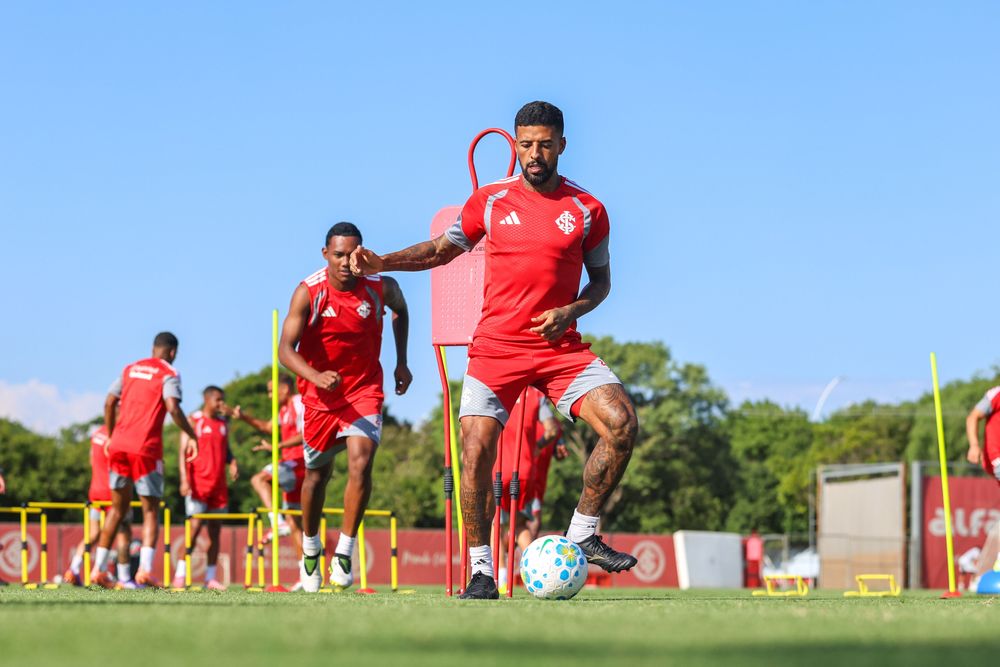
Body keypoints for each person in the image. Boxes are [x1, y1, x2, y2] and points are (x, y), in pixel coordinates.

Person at [351, 101, 639, 599]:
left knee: (622, 424)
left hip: (558, 348)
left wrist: (570, 312)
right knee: (477, 449)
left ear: (562, 146)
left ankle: (583, 533)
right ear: (516, 144)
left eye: (545, 144)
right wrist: (384, 261)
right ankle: (481, 571)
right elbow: (441, 249)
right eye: (526, 144)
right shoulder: (489, 201)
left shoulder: (587, 210)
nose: (534, 154)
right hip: (496, 349)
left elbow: (602, 284)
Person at [278, 222, 412, 592]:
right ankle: (310, 549)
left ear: (361, 252)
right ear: (326, 254)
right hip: (319, 397)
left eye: (351, 254)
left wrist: (401, 361)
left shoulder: (381, 286)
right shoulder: (309, 292)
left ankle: (344, 553)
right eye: (337, 254)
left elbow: (401, 310)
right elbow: (285, 351)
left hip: (364, 389)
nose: (345, 262)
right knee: (316, 476)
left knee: (361, 461)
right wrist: (316, 375)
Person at [91, 332, 200, 588]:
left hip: (117, 446)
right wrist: (191, 434)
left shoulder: (130, 369)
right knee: (150, 510)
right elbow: (172, 407)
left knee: (117, 510)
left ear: (153, 348)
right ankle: (145, 571)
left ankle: (98, 570)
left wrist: (110, 435)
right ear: (173, 352)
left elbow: (108, 403)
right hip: (145, 450)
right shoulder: (169, 372)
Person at [494, 387, 560, 592]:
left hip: (498, 466)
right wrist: (537, 447)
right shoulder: (535, 396)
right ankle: (539, 571)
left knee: (495, 523)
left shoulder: (497, 388)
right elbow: (552, 430)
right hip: (524, 470)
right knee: (521, 524)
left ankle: (500, 579)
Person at [172, 386, 238, 590]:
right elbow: (182, 452)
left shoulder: (223, 424)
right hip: (198, 484)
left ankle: (210, 578)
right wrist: (184, 480)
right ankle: (180, 576)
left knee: (215, 532)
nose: (221, 404)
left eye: (222, 400)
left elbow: (225, 450)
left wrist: (233, 461)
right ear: (207, 399)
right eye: (218, 400)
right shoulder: (194, 420)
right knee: (193, 529)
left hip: (218, 487)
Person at [234, 375, 306, 553]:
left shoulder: (298, 403)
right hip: (290, 465)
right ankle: (305, 576)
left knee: (259, 479)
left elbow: (307, 434)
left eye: (271, 391)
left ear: (285, 389)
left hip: (299, 463)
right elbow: (268, 427)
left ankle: (277, 523)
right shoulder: (283, 410)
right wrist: (243, 417)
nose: (269, 396)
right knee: (295, 523)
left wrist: (278, 445)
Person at [63, 422, 134, 587]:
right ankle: (124, 577)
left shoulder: (96, 434)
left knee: (92, 534)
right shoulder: (119, 436)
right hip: (113, 492)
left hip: (95, 491)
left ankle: (73, 569)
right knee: (124, 533)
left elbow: (91, 461)